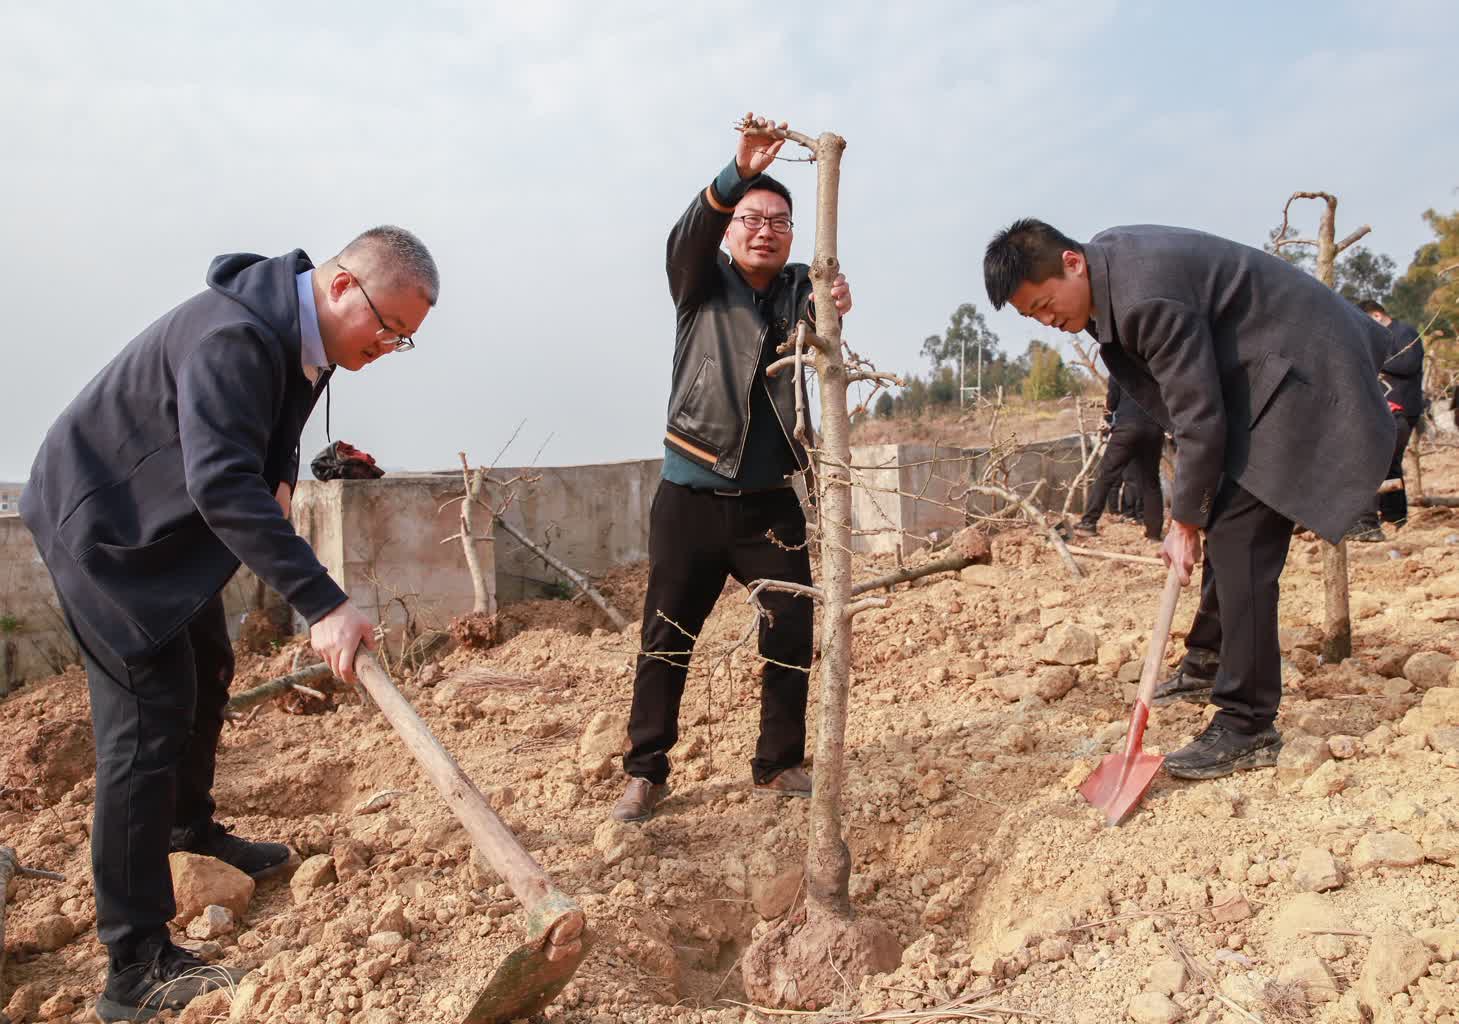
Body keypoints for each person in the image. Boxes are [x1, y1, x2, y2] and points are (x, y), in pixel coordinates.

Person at [21, 227, 438, 1020]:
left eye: (405, 340)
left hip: (163, 528)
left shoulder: (306, 339)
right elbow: (218, 481)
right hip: (105, 531)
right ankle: (134, 965)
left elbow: (274, 434)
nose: (388, 347)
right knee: (144, 727)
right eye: (387, 327)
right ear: (343, 285)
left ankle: (189, 830)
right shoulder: (236, 338)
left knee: (208, 670)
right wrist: (323, 603)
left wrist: (282, 476)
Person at [984, 220, 1393, 779]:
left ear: (1072, 263)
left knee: (1242, 540)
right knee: (1225, 521)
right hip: (1263, 378)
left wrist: (1183, 522)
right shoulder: (1113, 269)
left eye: (1046, 304)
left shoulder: (1142, 297)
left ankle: (1247, 724)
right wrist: (1197, 513)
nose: (1050, 322)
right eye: (1034, 317)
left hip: (1305, 374)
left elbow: (1200, 415)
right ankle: (1206, 661)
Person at [613, 115, 852, 823]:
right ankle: (645, 771)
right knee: (667, 635)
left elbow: (827, 339)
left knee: (789, 629)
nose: (765, 231)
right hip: (689, 496)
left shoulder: (799, 289)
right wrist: (735, 172)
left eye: (780, 221)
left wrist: (836, 306)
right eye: (751, 218)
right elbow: (684, 234)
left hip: (768, 506)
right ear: (729, 229)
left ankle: (777, 763)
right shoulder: (699, 282)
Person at [1348, 299, 1425, 535]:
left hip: (1401, 410)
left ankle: (1367, 523)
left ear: (1377, 316)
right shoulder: (1381, 338)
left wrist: (1372, 360)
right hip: (1389, 411)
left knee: (1374, 462)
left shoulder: (1405, 333)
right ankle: (1395, 516)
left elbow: (1409, 364)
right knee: (1390, 466)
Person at [1075, 378, 1164, 541]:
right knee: (1151, 481)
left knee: (1106, 475)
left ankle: (1088, 523)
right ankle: (1154, 533)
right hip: (1154, 429)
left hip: (1127, 429)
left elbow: (1112, 400)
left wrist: (1107, 420)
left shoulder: (1120, 363)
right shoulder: (1155, 365)